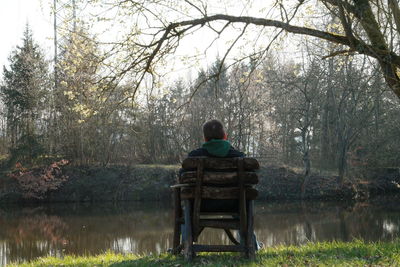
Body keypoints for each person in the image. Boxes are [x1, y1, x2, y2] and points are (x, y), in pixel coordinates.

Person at [180, 119, 262, 250]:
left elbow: (182, 179)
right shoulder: (239, 157)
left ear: (205, 138)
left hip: (202, 205)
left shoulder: (193, 157)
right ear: (225, 136)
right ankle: (250, 244)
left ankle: (185, 245)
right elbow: (250, 181)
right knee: (246, 202)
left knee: (186, 205)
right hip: (235, 204)